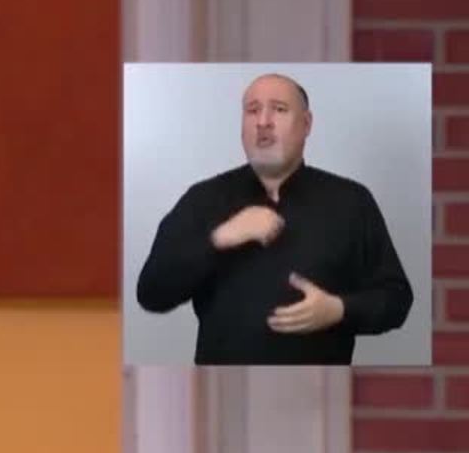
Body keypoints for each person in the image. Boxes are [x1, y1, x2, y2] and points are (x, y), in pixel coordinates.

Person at [135, 73, 413, 364]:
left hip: (317, 382)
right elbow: (152, 293)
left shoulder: (351, 201)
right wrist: (220, 238)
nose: (263, 121)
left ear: (306, 124)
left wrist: (338, 310)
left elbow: (397, 299)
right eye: (252, 110)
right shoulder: (202, 200)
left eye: (279, 109)